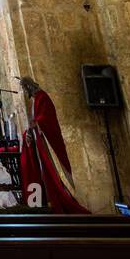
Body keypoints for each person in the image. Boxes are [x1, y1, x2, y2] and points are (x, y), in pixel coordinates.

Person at [19, 75, 89, 213]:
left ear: (28, 87)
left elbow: (46, 118)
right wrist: (28, 132)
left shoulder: (42, 97)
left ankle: (61, 200)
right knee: (42, 173)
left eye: (23, 89)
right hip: (40, 144)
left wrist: (36, 124)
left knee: (54, 174)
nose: (24, 92)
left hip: (49, 145)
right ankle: (46, 200)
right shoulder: (35, 100)